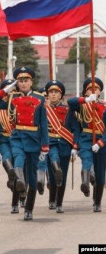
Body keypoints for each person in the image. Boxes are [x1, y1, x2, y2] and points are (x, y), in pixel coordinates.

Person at [0, 67, 49, 221]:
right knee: (18, 158)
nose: (23, 84)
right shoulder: (11, 98)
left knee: (33, 178)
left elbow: (43, 123)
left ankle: (29, 209)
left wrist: (45, 146)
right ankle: (20, 181)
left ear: (31, 82)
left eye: (26, 81)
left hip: (34, 138)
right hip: (17, 136)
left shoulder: (40, 98)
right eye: (20, 81)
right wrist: (4, 91)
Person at [41, 80, 80, 213]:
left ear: (61, 95)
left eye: (56, 92)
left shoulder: (68, 110)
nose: (53, 95)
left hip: (65, 144)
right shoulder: (43, 110)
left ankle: (59, 203)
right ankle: (52, 199)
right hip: (49, 144)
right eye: (51, 92)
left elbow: (76, 129)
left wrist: (75, 147)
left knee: (62, 175)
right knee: (53, 172)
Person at [68, 77, 106, 212]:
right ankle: (85, 183)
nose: (93, 91)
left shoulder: (104, 106)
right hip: (86, 138)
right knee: (86, 160)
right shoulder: (82, 104)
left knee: (100, 175)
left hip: (101, 140)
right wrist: (85, 99)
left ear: (100, 92)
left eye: (96, 89)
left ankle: (97, 202)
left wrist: (101, 142)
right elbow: (70, 102)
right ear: (85, 91)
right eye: (90, 89)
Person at [0, 79, 21, 214]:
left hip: (19, 140)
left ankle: (16, 202)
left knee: (20, 172)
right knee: (7, 160)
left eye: (14, 91)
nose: (11, 93)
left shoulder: (20, 105)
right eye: (9, 91)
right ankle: (11, 174)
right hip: (4, 140)